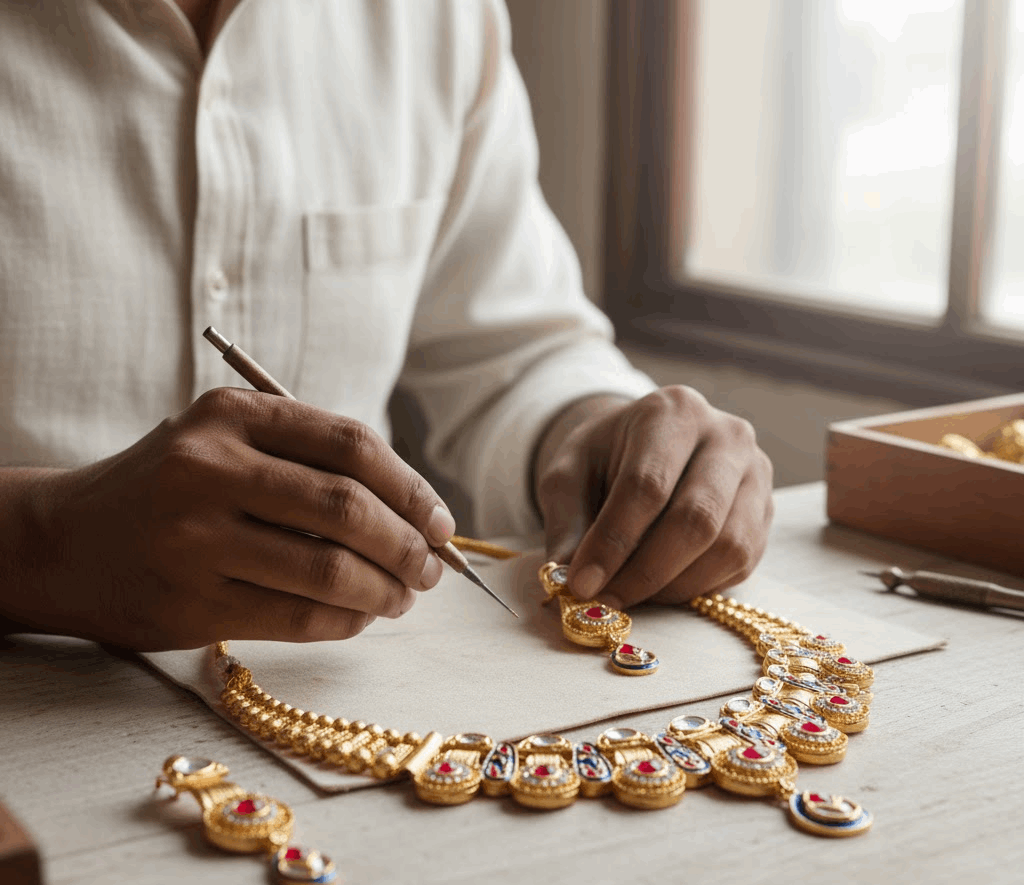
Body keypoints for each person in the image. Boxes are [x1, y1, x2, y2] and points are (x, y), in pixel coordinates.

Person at [0, 0, 773, 651]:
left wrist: (598, 433)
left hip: (346, 705)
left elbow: (511, 347)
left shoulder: (436, 16)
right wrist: (37, 541)